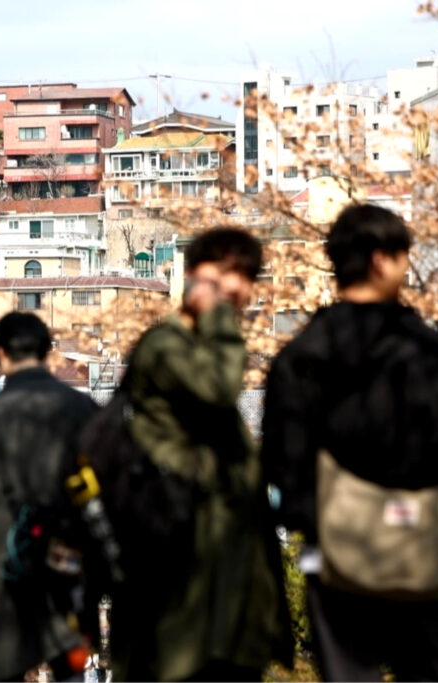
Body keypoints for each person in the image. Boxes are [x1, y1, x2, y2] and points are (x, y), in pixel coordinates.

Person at [262, 204, 438, 681]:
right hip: (422, 553)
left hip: (338, 558)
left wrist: (314, 518)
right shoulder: (430, 352)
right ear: (379, 261)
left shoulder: (302, 357)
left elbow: (281, 463)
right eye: (402, 256)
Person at [112, 228, 292, 681]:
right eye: (226, 273)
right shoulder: (164, 348)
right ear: (192, 276)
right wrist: (217, 316)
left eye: (247, 275)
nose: (237, 287)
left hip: (225, 601)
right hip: (179, 595)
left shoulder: (201, 357)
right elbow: (218, 388)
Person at [0, 312, 97, 682]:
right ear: (47, 353)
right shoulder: (83, 409)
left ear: (0, 355)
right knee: (70, 666)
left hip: (9, 554)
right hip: (71, 554)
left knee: (10, 667)